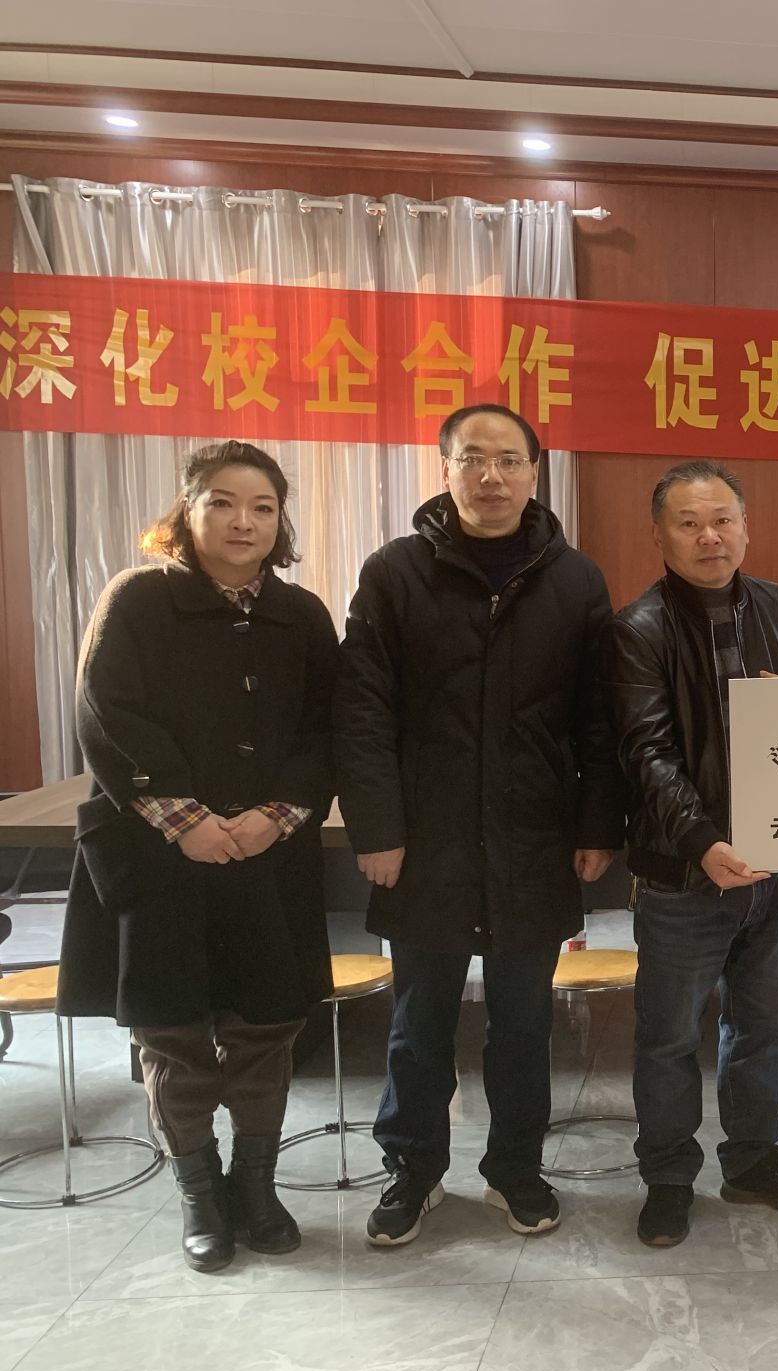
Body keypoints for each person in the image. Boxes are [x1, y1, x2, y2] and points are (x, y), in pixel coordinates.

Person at [335, 403, 623, 1246]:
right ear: (446, 469)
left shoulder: (576, 580)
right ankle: (413, 1170)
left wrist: (597, 823)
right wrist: (377, 828)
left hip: (535, 838)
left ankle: (515, 1169)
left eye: (508, 460)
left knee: (524, 1023)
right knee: (419, 1021)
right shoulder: (394, 573)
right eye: (473, 459)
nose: (490, 477)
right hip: (426, 840)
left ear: (535, 472)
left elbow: (598, 719)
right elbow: (362, 710)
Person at [59, 441, 338, 1273]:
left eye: (262, 506)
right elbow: (106, 712)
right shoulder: (137, 599)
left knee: (267, 1025)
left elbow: (327, 728)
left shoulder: (302, 615)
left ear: (280, 520)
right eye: (222, 501)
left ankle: (256, 1186)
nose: (243, 521)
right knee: (173, 1030)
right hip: (158, 851)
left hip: (267, 852)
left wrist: (276, 816)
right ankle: (198, 1193)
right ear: (188, 510)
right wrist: (185, 820)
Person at [603, 460, 778, 1249]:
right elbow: (648, 754)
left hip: (777, 866)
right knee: (669, 1037)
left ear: (745, 527)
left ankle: (754, 1159)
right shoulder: (637, 629)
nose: (709, 536)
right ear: (661, 535)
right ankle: (669, 1178)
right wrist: (703, 842)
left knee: (762, 1025)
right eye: (689, 523)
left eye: (722, 519)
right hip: (683, 875)